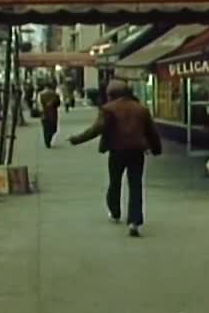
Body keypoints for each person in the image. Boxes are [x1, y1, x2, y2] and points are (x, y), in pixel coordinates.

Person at [68, 80, 162, 237]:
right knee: (136, 185)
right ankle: (134, 221)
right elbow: (151, 131)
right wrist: (156, 149)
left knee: (115, 182)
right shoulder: (141, 109)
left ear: (112, 95)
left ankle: (115, 211)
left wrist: (77, 139)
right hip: (136, 151)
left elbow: (96, 129)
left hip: (117, 151)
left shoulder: (108, 109)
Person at [36, 83, 61, 148]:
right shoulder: (55, 94)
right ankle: (49, 139)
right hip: (53, 113)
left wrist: (41, 111)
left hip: (44, 113)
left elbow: (39, 104)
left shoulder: (40, 94)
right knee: (53, 128)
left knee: (45, 128)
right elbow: (58, 104)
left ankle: (47, 141)